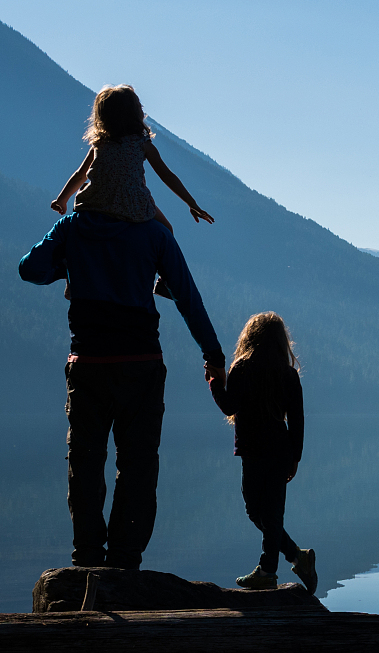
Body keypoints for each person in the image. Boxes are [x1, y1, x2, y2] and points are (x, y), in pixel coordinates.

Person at [20, 165, 226, 570]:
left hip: (88, 365)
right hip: (141, 367)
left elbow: (30, 269)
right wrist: (214, 357)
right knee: (138, 466)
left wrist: (74, 263)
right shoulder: (153, 233)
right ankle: (125, 563)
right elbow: (187, 298)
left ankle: (87, 561)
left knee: (85, 463)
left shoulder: (74, 226)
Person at [209, 311, 316, 591]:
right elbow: (298, 420)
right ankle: (296, 556)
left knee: (257, 510)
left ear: (250, 337)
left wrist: (213, 384)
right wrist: (295, 457)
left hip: (253, 451)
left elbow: (229, 406)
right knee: (269, 513)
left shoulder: (242, 368)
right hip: (280, 452)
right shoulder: (288, 374)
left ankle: (268, 571)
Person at [51, 84, 216, 231]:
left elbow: (81, 175)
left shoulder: (100, 145)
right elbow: (167, 176)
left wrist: (62, 199)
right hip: (132, 204)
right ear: (134, 113)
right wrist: (191, 203)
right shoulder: (143, 144)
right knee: (166, 230)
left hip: (95, 202)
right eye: (139, 105)